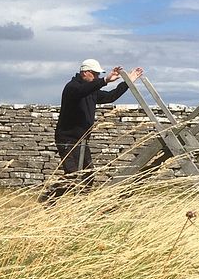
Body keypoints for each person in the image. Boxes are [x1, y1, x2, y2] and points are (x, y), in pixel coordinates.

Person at [41, 59, 144, 202]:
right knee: (73, 174)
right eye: (95, 74)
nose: (96, 77)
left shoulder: (92, 90)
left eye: (98, 75)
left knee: (88, 175)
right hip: (68, 139)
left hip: (82, 140)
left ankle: (83, 204)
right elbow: (82, 91)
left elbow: (110, 96)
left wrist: (128, 81)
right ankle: (48, 199)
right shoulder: (72, 87)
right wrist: (105, 80)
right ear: (85, 73)